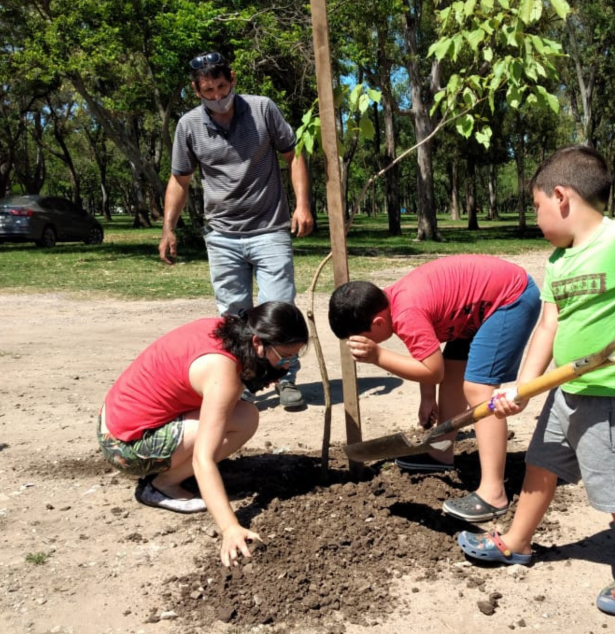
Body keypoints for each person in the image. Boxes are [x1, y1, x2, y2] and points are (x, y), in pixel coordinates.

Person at [455, 145, 615, 616]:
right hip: (566, 387)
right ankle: (516, 541)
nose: (536, 219)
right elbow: (548, 327)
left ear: (561, 196)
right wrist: (523, 386)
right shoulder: (558, 262)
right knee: (541, 463)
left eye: (536, 207)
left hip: (613, 392)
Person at [327, 254, 541, 522]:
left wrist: (378, 356)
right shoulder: (393, 303)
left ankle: (493, 493)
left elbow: (432, 370)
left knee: (478, 388)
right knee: (453, 371)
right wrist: (428, 397)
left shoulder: (406, 314)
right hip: (476, 308)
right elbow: (430, 361)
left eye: (361, 339)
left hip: (510, 299)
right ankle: (440, 452)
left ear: (378, 323)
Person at [97, 302, 309, 567]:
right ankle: (161, 486)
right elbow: (203, 459)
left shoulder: (228, 331)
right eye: (285, 356)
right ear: (258, 343)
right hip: (124, 446)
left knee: (240, 414)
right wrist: (230, 527)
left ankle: (168, 472)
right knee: (243, 420)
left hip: (116, 418)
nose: (288, 365)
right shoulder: (223, 372)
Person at [158, 51, 313, 410]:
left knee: (279, 308)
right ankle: (242, 380)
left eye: (222, 87)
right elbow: (179, 179)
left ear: (233, 80)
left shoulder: (262, 109)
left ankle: (285, 377)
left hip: (270, 227)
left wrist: (302, 205)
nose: (216, 97)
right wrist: (168, 228)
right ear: (196, 90)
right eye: (207, 91)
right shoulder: (189, 126)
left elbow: (295, 155)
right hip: (223, 235)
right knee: (233, 315)